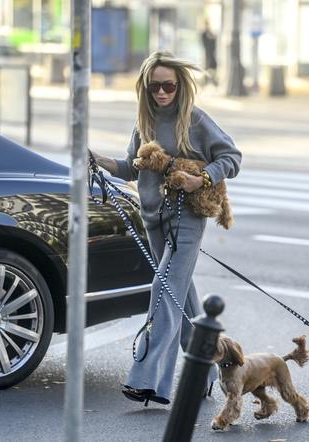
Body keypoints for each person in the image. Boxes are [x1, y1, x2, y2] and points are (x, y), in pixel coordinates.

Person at [91, 51, 242, 405]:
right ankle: (206, 367)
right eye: (155, 86)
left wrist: (202, 178)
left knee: (164, 288)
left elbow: (231, 158)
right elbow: (133, 167)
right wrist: (98, 160)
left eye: (168, 86)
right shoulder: (143, 122)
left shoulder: (195, 120)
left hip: (186, 219)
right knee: (180, 295)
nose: (162, 92)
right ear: (145, 87)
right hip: (153, 219)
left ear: (179, 86)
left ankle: (148, 380)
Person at [200, 20, 218, 86]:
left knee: (213, 68)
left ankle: (213, 82)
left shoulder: (209, 33)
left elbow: (214, 41)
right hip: (207, 54)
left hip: (211, 54)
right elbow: (205, 43)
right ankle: (205, 83)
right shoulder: (204, 33)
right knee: (206, 68)